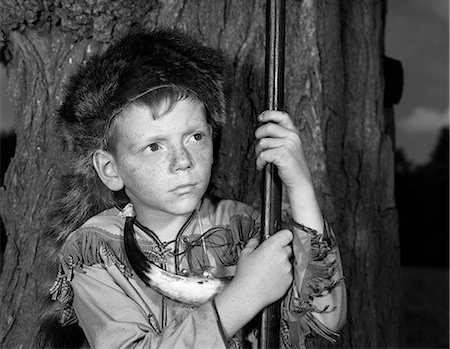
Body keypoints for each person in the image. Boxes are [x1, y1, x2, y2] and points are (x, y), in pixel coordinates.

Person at [38, 27, 346, 349]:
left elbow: (322, 323)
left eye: (195, 137)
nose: (182, 161)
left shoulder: (243, 229)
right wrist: (245, 295)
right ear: (110, 170)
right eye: (154, 146)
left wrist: (300, 187)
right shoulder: (96, 253)